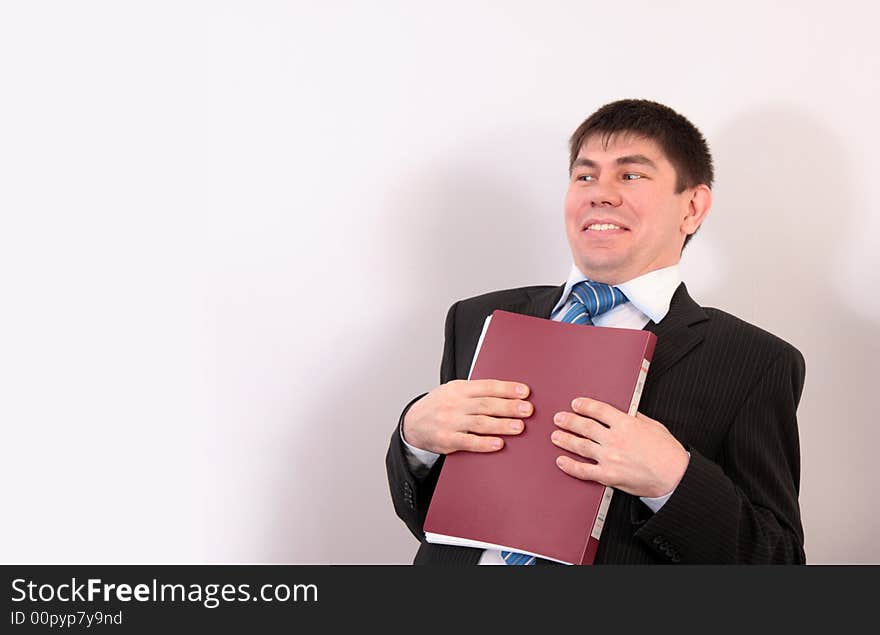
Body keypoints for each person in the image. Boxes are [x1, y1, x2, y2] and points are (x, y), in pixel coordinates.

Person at [385, 99, 806, 565]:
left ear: (692, 207)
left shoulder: (754, 360)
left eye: (631, 175)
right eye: (585, 176)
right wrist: (413, 439)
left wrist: (674, 480)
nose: (599, 193)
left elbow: (779, 559)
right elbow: (426, 518)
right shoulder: (477, 317)